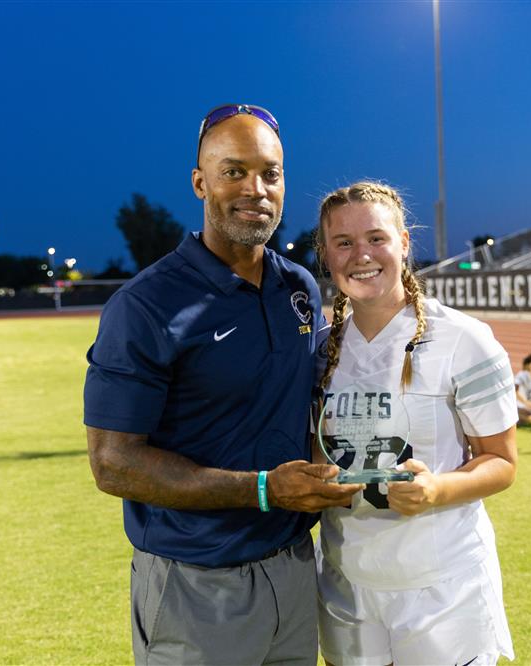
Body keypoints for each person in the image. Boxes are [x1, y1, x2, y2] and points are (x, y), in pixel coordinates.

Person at [83, 104, 362, 666]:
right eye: (234, 171)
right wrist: (262, 489)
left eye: (271, 173)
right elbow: (112, 464)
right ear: (199, 183)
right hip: (196, 585)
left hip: (294, 569)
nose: (256, 188)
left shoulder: (299, 288)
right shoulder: (144, 305)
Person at [313, 181, 517, 666]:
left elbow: (502, 462)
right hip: (347, 586)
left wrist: (437, 490)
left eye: (376, 238)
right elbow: (319, 452)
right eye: (344, 243)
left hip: (442, 588)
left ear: (404, 242)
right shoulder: (320, 350)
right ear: (326, 255)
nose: (361, 254)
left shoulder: (464, 340)